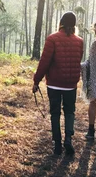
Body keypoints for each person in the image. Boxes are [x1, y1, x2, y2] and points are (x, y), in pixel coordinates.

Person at [33, 12, 84, 155]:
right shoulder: (79, 41)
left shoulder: (52, 39)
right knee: (70, 112)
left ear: (61, 22)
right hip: (70, 84)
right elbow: (77, 60)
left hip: (54, 83)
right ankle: (68, 139)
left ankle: (57, 144)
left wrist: (36, 80)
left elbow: (44, 62)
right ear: (74, 25)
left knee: (55, 113)